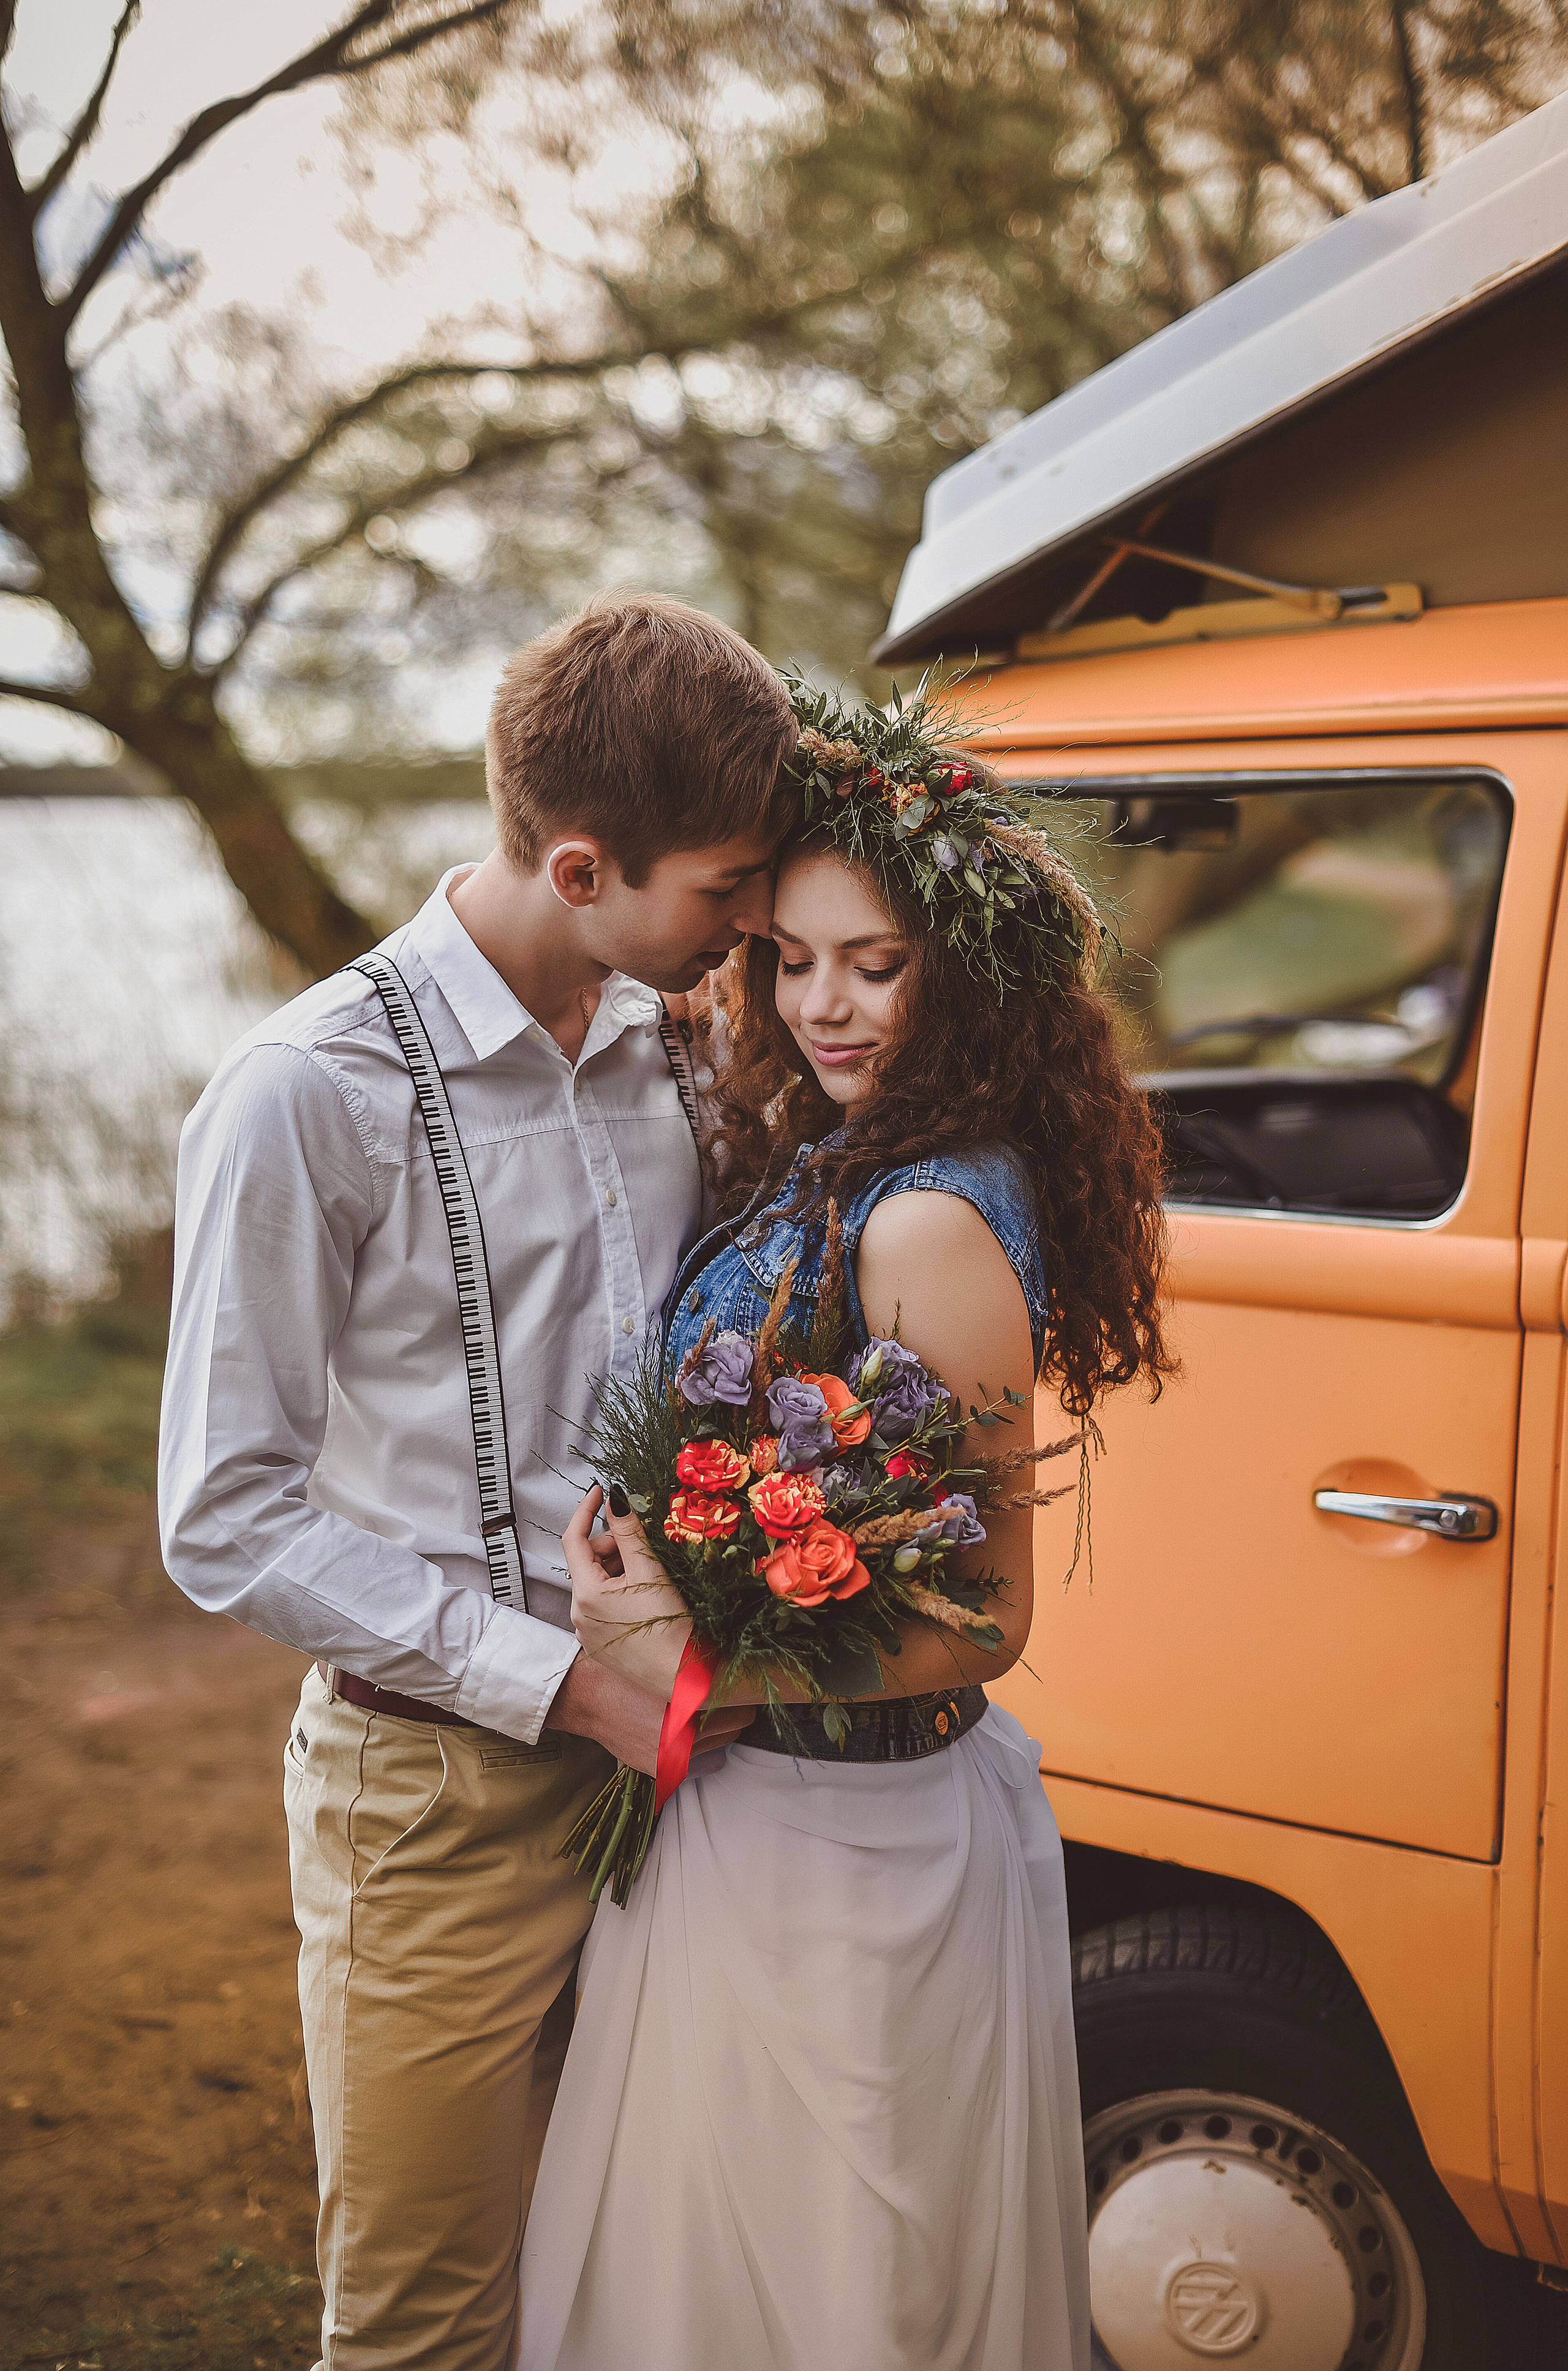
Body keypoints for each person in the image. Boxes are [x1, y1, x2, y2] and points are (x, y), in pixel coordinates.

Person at [157, 592, 799, 2371]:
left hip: (689, 1785)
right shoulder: (306, 1093)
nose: (755, 919)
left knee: (641, 2285)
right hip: (433, 1803)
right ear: (582, 867)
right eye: (728, 886)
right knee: (427, 2324)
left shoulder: (679, 1041)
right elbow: (224, 1515)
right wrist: (572, 1687)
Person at [515, 693, 1172, 2371]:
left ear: (963, 974)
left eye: (874, 966)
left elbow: (988, 1617)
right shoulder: (839, 1154)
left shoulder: (930, 1220)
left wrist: (697, 1656)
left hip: (853, 1849)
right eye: (792, 960)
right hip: (758, 1814)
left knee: (835, 2293)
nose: (823, 1005)